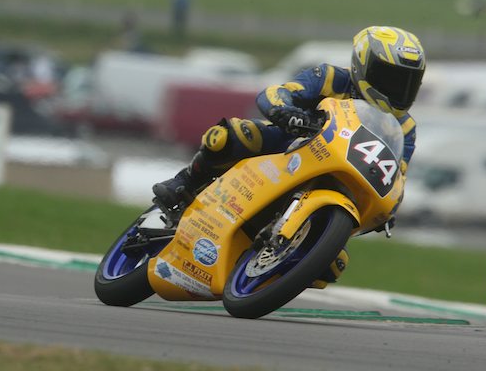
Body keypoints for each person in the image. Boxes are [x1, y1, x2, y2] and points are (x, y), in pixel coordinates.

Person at [153, 26, 426, 286]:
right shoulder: (331, 77)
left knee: (334, 265)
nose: (398, 89)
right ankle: (184, 182)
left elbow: (398, 172)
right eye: (390, 77)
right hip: (292, 144)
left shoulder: (406, 128)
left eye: (408, 82)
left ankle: (268, 276)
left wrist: (390, 208)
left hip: (345, 176)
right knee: (228, 136)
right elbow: (278, 92)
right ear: (362, 66)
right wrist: (284, 110)